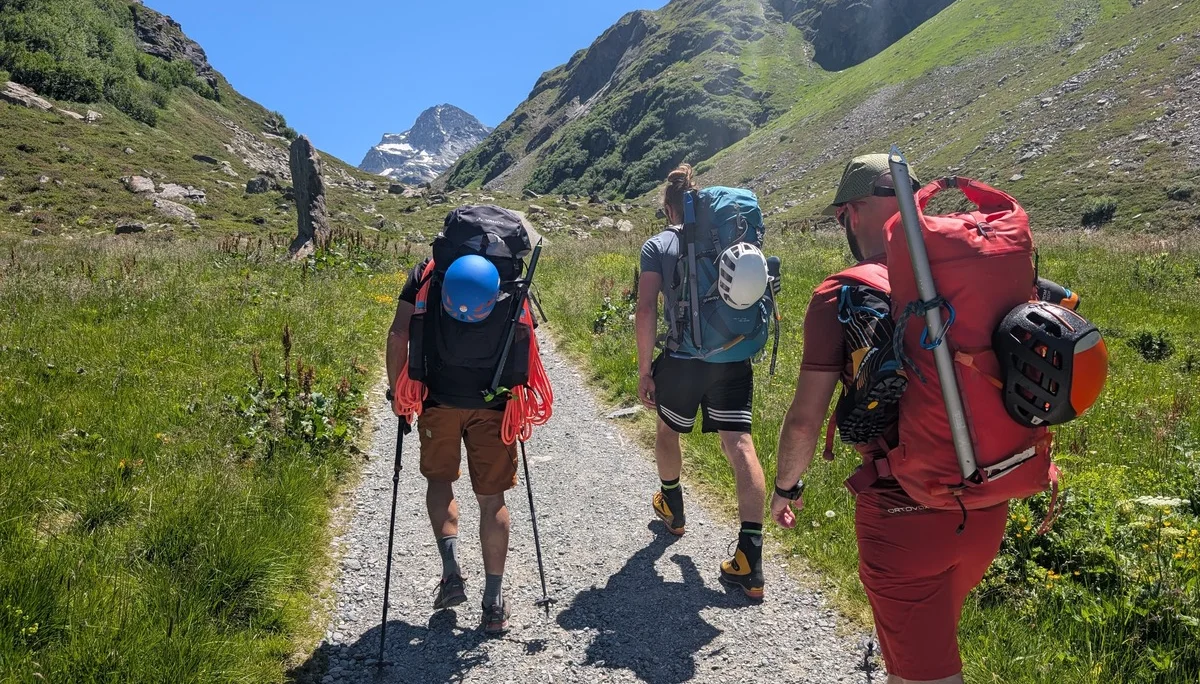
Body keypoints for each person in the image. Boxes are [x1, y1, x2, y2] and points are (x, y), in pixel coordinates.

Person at [769, 154, 1006, 684]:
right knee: (922, 651)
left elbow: (806, 421)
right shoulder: (965, 274)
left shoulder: (841, 292)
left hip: (905, 513)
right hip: (988, 500)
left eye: (839, 218)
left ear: (852, 213)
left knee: (926, 674)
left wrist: (786, 485)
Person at [635, 163, 768, 599]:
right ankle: (750, 559)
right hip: (734, 355)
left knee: (668, 430)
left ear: (670, 206)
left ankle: (672, 509)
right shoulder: (730, 235)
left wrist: (643, 370)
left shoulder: (657, 245)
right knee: (740, 445)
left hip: (684, 359)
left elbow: (647, 310)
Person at [386, 248, 518, 635]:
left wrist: (397, 393)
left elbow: (398, 335)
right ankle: (493, 604)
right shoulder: (508, 273)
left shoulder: (427, 271)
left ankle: (451, 575)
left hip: (436, 399)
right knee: (493, 499)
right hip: (494, 402)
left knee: (441, 481)